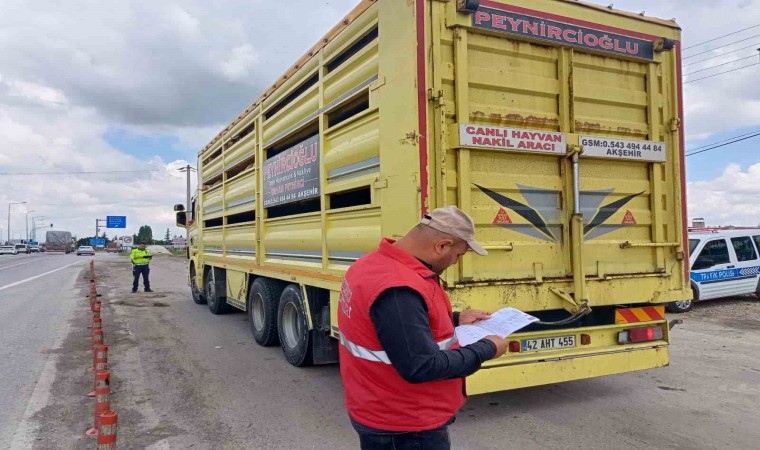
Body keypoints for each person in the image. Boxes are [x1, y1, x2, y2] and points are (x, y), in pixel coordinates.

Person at [338, 206, 508, 450]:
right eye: (458, 255)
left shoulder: (373, 264)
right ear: (441, 246)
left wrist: (456, 318)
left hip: (380, 407)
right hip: (405, 426)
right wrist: (488, 348)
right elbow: (421, 366)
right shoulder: (398, 288)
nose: (455, 262)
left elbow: (396, 327)